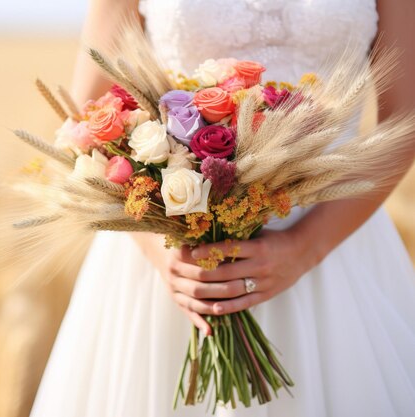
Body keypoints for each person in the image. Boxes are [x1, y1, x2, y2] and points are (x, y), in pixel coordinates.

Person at [30, 1, 415, 416]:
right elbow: (86, 118)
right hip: (170, 250)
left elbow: (404, 122)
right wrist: (164, 253)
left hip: (337, 239)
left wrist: (305, 248)